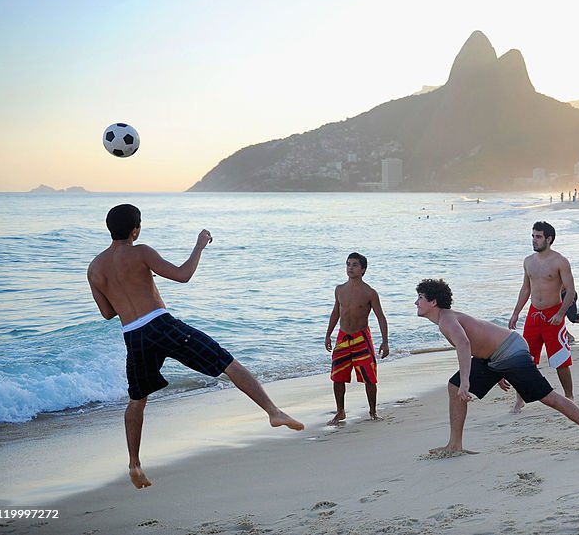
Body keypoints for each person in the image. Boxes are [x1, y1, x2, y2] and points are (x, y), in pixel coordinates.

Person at [86, 205, 304, 490]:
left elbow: (106, 313)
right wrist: (199, 245)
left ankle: (135, 463)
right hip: (161, 325)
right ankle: (274, 412)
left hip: (133, 335)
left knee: (137, 399)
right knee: (228, 363)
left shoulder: (94, 268)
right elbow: (182, 274)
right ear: (135, 230)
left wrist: (125, 290)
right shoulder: (140, 251)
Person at [415, 279, 579, 455]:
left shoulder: (447, 320)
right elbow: (476, 342)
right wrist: (495, 372)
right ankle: (455, 444)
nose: (416, 302)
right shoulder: (446, 318)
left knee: (548, 397)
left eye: (420, 297)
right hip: (494, 356)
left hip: (510, 351)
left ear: (433, 302)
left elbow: (464, 344)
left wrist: (467, 381)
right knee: (454, 386)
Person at [509, 221, 576, 413]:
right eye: (533, 236)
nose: (534, 240)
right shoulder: (528, 261)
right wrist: (516, 313)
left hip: (553, 314)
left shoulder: (560, 261)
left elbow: (570, 291)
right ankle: (520, 399)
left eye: (538, 237)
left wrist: (561, 313)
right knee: (524, 359)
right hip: (533, 314)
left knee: (560, 360)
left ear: (549, 239)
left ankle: (569, 397)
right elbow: (526, 289)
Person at [325, 252, 390, 424]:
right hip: (343, 337)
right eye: (348, 264)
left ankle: (373, 411)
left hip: (361, 337)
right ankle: (340, 412)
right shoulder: (340, 289)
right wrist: (328, 334)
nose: (350, 268)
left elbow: (380, 317)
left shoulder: (370, 293)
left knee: (369, 376)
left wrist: (385, 341)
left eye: (354, 265)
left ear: (363, 269)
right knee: (338, 376)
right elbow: (335, 313)